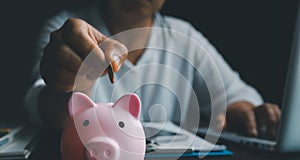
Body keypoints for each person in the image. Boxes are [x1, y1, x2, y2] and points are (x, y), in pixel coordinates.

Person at [25, 0, 281, 139]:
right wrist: (64, 85)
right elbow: (45, 107)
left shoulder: (183, 37)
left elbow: (237, 98)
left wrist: (242, 112)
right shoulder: (63, 29)